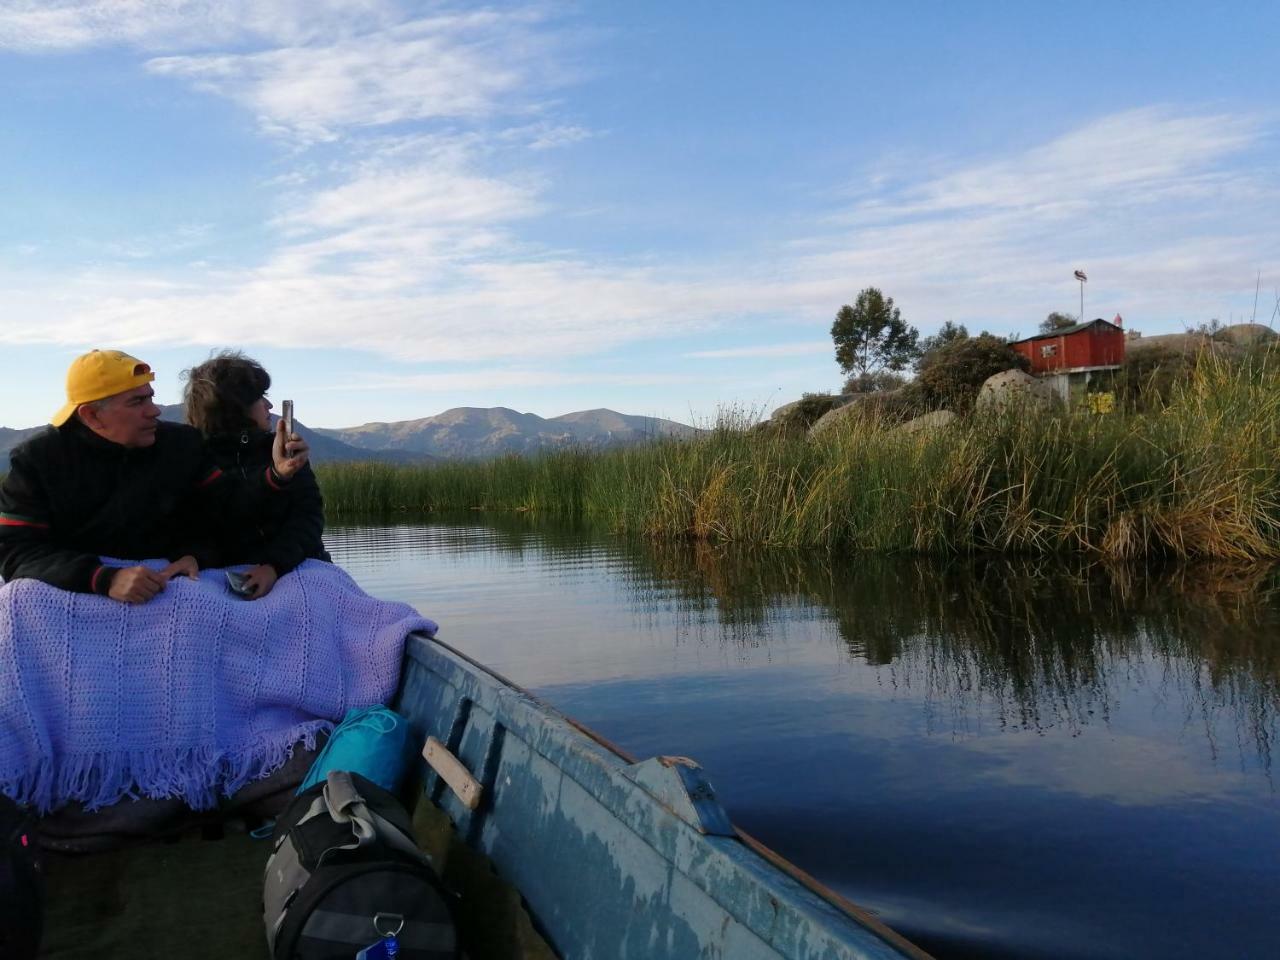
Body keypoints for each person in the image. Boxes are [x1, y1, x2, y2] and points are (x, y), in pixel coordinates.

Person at [0, 349, 309, 603]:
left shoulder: (181, 444)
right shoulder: (37, 461)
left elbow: (224, 507)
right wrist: (103, 578)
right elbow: (16, 552)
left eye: (150, 397)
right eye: (137, 402)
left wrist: (277, 475)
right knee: (18, 604)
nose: (155, 411)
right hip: (78, 583)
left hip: (167, 582)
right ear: (92, 415)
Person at [182, 351, 328, 599]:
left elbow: (308, 518)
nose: (270, 407)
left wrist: (273, 566)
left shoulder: (285, 451)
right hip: (228, 578)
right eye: (261, 398)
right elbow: (215, 518)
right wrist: (276, 476)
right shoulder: (196, 458)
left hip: (298, 567)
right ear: (236, 408)